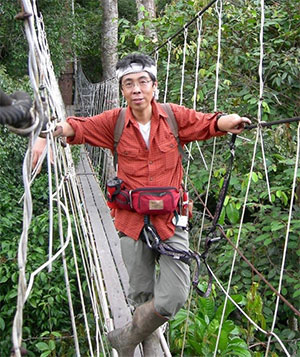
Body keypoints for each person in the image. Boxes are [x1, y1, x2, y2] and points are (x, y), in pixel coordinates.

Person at [32, 53, 251, 357]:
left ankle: (127, 336)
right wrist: (46, 133)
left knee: (173, 296)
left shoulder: (173, 117)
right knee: (141, 294)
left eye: (142, 82)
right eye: (128, 83)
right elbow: (75, 127)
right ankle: (145, 341)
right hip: (131, 222)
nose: (136, 89)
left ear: (154, 87)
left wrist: (231, 122)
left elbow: (208, 123)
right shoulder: (115, 122)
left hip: (171, 221)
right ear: (122, 90)